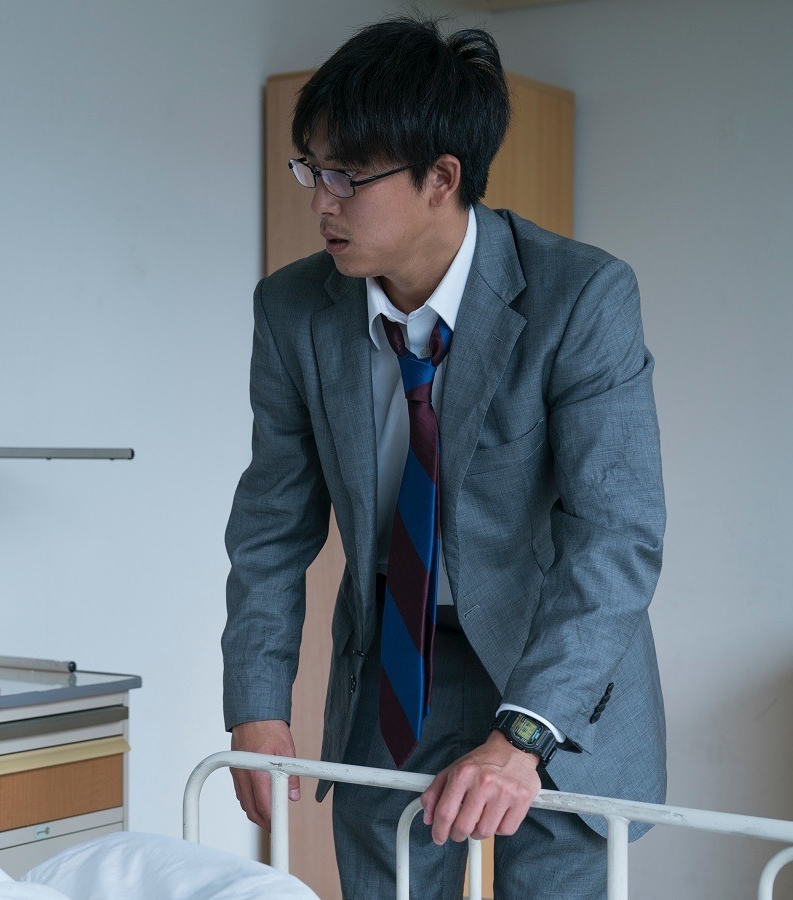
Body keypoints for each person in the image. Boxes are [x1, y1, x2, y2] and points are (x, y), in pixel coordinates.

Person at [222, 16, 666, 898]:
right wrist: (257, 703)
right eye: (312, 169)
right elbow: (273, 522)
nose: (322, 202)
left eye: (348, 176)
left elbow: (616, 535)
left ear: (442, 178)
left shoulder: (581, 296)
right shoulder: (293, 310)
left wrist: (524, 735)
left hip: (552, 665)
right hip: (394, 660)